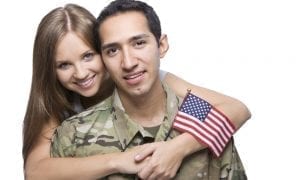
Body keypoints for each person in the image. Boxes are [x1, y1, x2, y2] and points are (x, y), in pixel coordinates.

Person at [23, 3, 250, 180]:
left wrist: (177, 149)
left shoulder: (159, 84)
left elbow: (232, 109)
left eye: (87, 56)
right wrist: (118, 161)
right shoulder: (62, 114)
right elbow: (36, 171)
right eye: (64, 65)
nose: (81, 73)